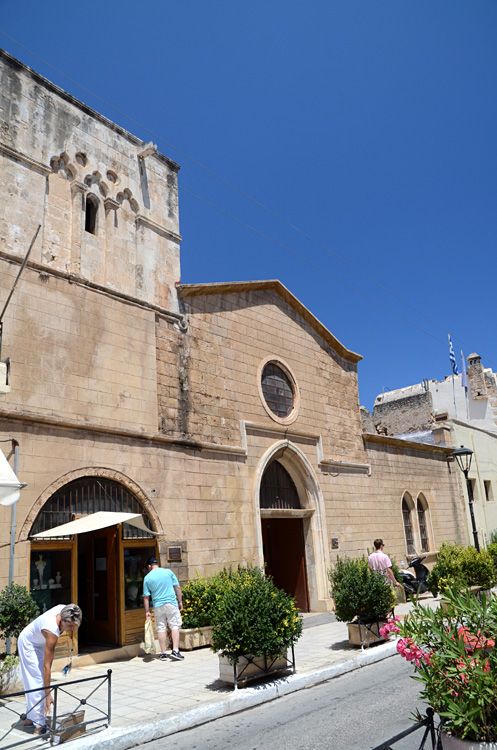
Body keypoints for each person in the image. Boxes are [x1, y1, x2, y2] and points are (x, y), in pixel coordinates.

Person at [18, 603, 83, 734]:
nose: (71, 629)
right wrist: (48, 694)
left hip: (39, 642)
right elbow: (47, 666)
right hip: (28, 643)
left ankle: (30, 718)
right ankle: (39, 725)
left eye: (74, 626)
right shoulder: (52, 631)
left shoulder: (67, 609)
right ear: (62, 620)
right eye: (70, 626)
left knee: (37, 681)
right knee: (37, 680)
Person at [143, 557, 184, 661]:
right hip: (171, 603)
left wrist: (147, 611)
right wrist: (180, 601)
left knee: (161, 628)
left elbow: (146, 597)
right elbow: (177, 587)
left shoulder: (147, 578)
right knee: (174, 625)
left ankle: (163, 653)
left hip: (158, 605)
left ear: (149, 566)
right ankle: (175, 650)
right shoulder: (168, 572)